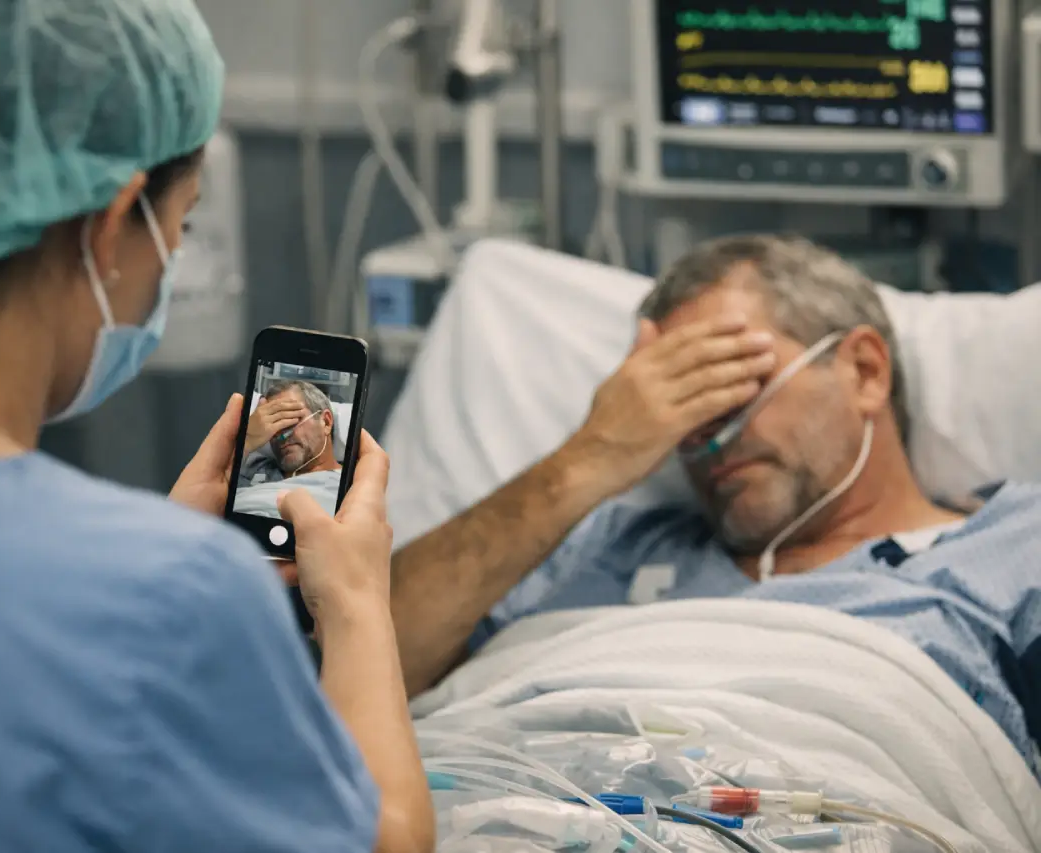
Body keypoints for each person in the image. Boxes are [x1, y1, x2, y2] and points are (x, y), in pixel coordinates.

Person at [0, 2, 433, 852]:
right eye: (178, 227)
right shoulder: (174, 592)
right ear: (111, 230)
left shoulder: (152, 585)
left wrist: (138, 552)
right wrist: (356, 602)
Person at [390, 234, 1041, 777]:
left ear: (864, 371)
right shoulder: (604, 541)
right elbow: (368, 663)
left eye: (725, 381)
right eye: (674, 402)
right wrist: (585, 460)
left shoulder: (1011, 547)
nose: (702, 436)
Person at [236, 380, 343, 518]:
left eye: (290, 419)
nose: (281, 435)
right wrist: (246, 439)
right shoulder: (250, 464)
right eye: (273, 424)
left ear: (326, 422)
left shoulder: (352, 487)